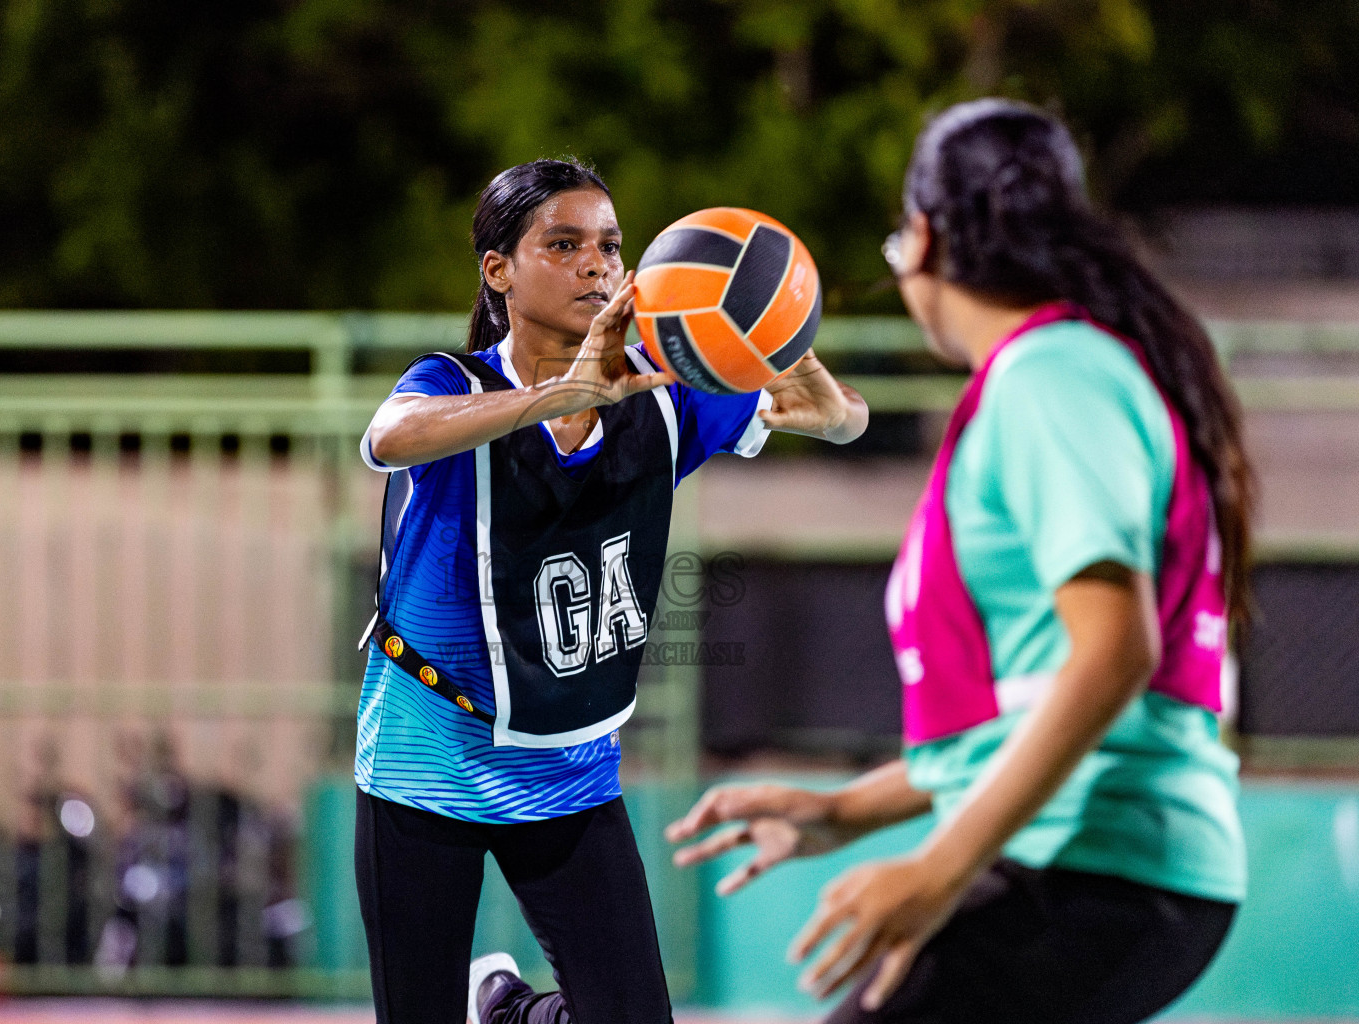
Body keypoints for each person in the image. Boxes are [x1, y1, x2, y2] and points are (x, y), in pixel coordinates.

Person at [666, 98, 1253, 1024]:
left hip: (1098, 861)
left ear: (928, 237)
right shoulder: (1053, 376)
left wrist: (942, 867)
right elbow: (1029, 708)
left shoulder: (1049, 377)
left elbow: (1114, 653)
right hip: (1107, 857)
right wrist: (845, 812)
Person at [355, 157, 868, 1024]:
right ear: (499, 271)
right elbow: (389, 437)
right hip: (425, 757)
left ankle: (512, 1014)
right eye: (563, 244)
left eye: (609, 246)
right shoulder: (455, 385)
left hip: (568, 765)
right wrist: (563, 392)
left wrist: (800, 367)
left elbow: (841, 420)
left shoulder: (667, 399)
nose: (595, 264)